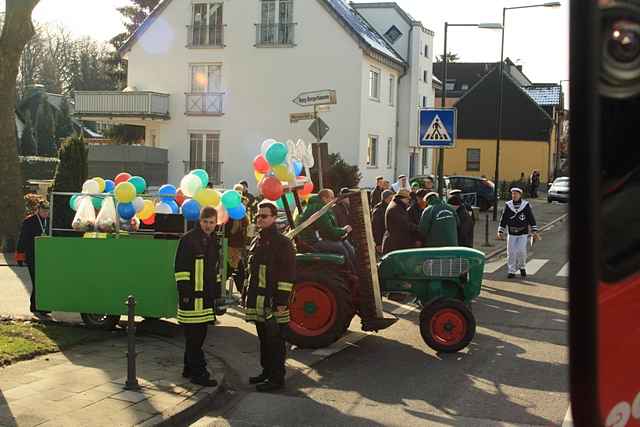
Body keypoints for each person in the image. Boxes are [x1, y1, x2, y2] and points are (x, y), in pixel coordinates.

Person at [244, 201, 295, 392]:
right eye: (258, 216)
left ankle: (276, 378)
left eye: (264, 216)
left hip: (274, 303)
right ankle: (266, 372)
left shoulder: (282, 243)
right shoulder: (258, 240)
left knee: (275, 342)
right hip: (258, 301)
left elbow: (287, 275)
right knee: (264, 340)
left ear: (274, 218)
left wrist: (281, 301)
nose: (259, 219)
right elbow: (253, 273)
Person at [174, 206, 220, 387]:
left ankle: (188, 369)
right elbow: (181, 269)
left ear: (216, 223)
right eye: (205, 222)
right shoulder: (189, 240)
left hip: (205, 299)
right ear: (199, 221)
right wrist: (186, 294)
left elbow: (213, 271)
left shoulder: (211, 240)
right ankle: (199, 374)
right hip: (192, 299)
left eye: (211, 222)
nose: (208, 226)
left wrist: (216, 294)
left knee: (196, 337)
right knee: (196, 338)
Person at [296, 189, 356, 271]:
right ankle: (352, 273)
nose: (333, 200)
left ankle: (355, 270)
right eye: (331, 198)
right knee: (341, 248)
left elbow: (328, 229)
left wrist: (341, 232)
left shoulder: (320, 207)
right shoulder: (319, 209)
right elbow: (328, 231)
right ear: (324, 198)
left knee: (346, 244)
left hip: (315, 239)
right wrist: (344, 230)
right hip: (311, 242)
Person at [16, 200, 51, 316]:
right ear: (38, 210)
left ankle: (40, 306)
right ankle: (36, 306)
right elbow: (22, 239)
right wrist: (20, 256)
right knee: (37, 281)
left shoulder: (49, 222)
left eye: (47, 211)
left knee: (44, 282)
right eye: (44, 210)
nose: (46, 213)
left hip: (46, 257)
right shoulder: (29, 221)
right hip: (32, 256)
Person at [497, 187, 539, 278]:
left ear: (520, 195)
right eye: (512, 194)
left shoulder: (525, 205)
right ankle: (511, 271)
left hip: (523, 232)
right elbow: (503, 218)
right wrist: (500, 230)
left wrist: (534, 230)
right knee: (511, 252)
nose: (514, 195)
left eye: (516, 194)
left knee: (521, 251)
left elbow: (531, 218)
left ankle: (522, 266)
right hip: (511, 232)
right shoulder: (508, 205)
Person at [226, 185, 250, 293]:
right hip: (232, 245)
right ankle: (242, 293)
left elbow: (246, 226)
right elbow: (231, 231)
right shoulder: (230, 213)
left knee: (236, 269)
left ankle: (242, 293)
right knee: (235, 269)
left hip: (239, 245)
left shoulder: (242, 211)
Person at [382, 189, 418, 254]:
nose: (408, 202)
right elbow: (405, 224)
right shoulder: (395, 208)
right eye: (408, 199)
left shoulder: (397, 206)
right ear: (402, 198)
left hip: (396, 244)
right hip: (394, 246)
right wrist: (418, 227)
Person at [372, 190, 394, 254]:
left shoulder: (390, 207)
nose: (392, 200)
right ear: (385, 199)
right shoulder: (378, 210)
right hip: (382, 240)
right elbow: (376, 228)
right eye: (390, 198)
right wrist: (378, 243)